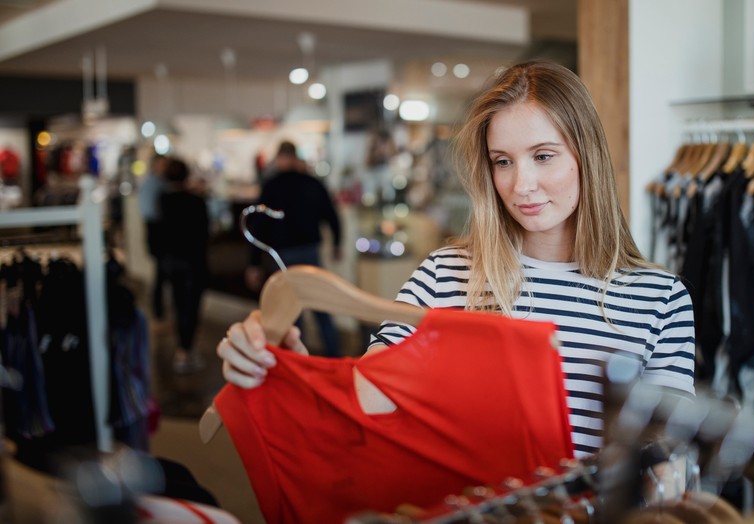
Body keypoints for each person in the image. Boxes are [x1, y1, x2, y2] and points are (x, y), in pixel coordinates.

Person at [220, 60, 695, 448]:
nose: (520, 184)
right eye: (502, 161)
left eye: (543, 156)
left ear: (586, 157)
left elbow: (665, 461)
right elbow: (368, 401)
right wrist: (290, 368)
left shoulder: (659, 299)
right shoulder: (444, 274)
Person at [244, 140, 343, 357]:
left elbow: (259, 225)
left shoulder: (271, 185)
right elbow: (332, 215)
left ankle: (298, 359)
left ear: (280, 158)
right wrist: (337, 243)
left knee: (291, 311)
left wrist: (254, 263)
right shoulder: (312, 182)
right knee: (320, 305)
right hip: (310, 250)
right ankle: (334, 356)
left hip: (284, 254)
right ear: (296, 158)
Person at [159, 157, 210, 373]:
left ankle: (183, 349)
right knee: (192, 306)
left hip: (172, 261)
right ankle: (186, 350)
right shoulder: (196, 201)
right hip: (193, 261)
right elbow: (205, 233)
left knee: (178, 304)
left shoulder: (163, 201)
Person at [138, 153, 168, 321]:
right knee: (160, 273)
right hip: (157, 231)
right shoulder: (152, 184)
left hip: (158, 231)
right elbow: (150, 212)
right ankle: (158, 311)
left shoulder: (160, 183)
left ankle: (159, 311)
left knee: (161, 273)